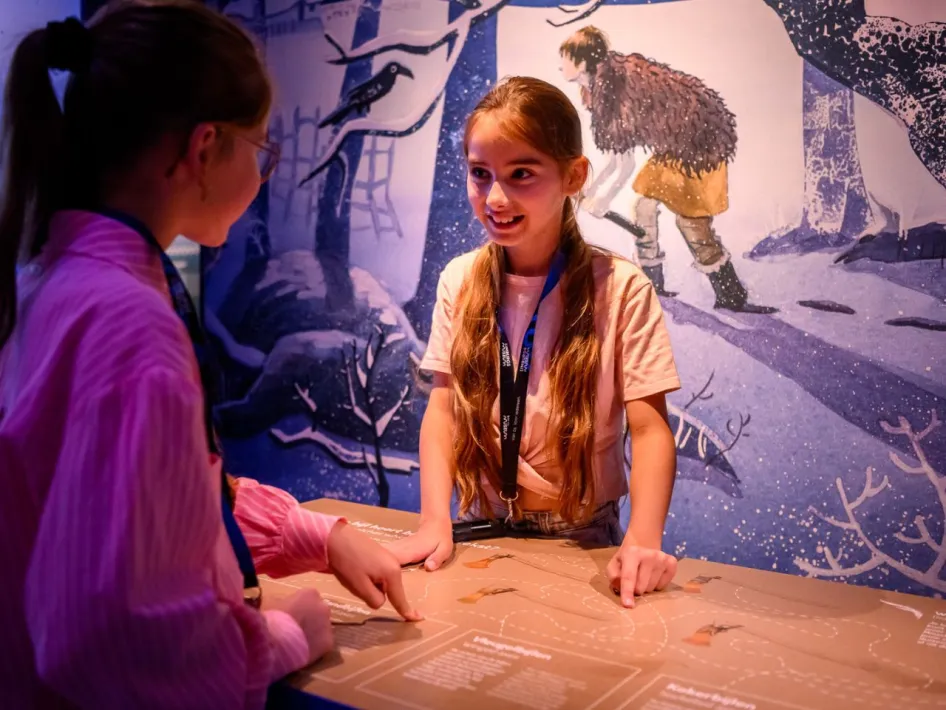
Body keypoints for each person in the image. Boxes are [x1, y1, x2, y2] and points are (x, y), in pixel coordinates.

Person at [0, 3, 417, 709]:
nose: (263, 173)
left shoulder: (52, 279)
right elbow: (116, 641)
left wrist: (313, 533)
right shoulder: (129, 323)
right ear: (203, 150)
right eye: (262, 151)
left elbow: (149, 497)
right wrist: (287, 636)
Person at [387, 76, 681, 609]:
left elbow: (650, 427)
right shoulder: (460, 278)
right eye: (481, 175)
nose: (496, 197)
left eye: (521, 173)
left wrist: (644, 538)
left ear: (573, 175)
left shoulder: (620, 287)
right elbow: (443, 410)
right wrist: (435, 518)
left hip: (584, 535)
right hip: (480, 525)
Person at [558, 25, 777, 314]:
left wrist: (602, 200)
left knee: (691, 222)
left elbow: (624, 165)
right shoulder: (599, 90)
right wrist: (588, 192)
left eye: (565, 59)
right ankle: (653, 284)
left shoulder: (619, 89)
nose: (560, 67)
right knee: (644, 207)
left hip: (701, 144)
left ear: (584, 61)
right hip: (673, 146)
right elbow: (616, 156)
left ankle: (731, 295)